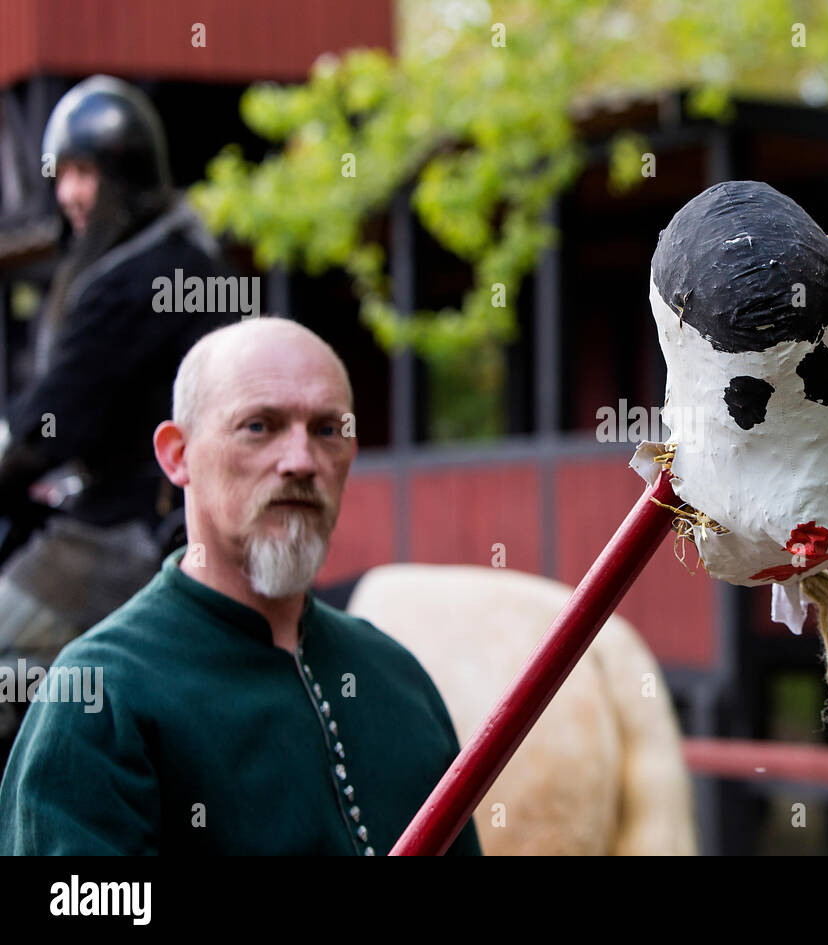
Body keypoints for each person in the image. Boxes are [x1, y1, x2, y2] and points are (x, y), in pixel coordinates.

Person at [0, 317, 482, 855]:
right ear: (177, 455)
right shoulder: (100, 696)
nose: (301, 461)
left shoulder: (398, 679)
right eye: (259, 426)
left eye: (327, 430)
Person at [0, 75, 234, 759]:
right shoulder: (187, 257)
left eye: (84, 173)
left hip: (125, 533)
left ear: (125, 176)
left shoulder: (133, 281)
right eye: (64, 174)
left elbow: (51, 429)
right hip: (171, 516)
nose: (70, 193)